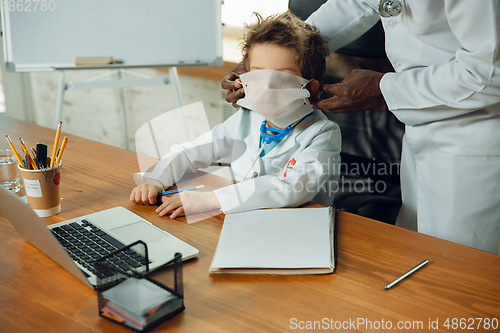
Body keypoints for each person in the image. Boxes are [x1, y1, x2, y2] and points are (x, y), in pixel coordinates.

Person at [223, 1, 500, 255]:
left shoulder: (320, 133)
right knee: (416, 261)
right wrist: (268, 58)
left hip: (474, 134)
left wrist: (384, 89)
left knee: (458, 274)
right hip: (417, 133)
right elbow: (356, 3)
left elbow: (490, 70)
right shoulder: (245, 121)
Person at [130, 12, 341, 219]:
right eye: (258, 75)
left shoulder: (323, 134)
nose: (266, 88)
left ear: (310, 89)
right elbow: (189, 153)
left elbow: (292, 188)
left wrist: (212, 200)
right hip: (243, 219)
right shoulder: (247, 119)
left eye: (282, 77)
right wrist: (156, 180)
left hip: (300, 225)